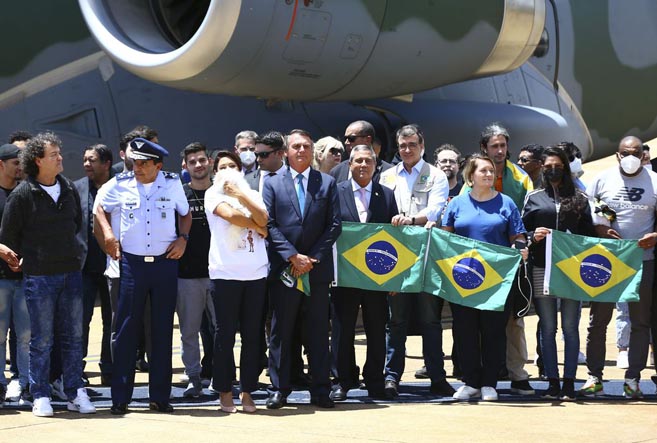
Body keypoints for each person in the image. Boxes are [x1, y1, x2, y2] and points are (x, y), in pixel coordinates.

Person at [0, 132, 95, 416]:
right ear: (38, 160)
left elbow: (76, 224)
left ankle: (75, 392)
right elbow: (9, 235)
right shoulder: (22, 195)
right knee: (41, 340)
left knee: (73, 338)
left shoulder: (67, 188)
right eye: (54, 155)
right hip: (39, 277)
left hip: (71, 274)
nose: (60, 158)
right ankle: (40, 393)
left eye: (58, 153)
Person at [95, 138, 191, 414]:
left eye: (143, 163)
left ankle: (159, 396)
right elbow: (100, 208)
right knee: (125, 330)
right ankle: (120, 397)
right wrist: (108, 234)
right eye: (134, 162)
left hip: (164, 264)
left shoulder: (171, 184)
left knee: (161, 329)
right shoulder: (119, 184)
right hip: (132, 265)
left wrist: (183, 238)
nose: (136, 168)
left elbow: (185, 214)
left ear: (157, 166)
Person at [263, 129, 342, 409]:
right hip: (285, 271)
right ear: (285, 152)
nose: (301, 151)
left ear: (312, 151)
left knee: (318, 332)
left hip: (316, 272)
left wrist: (311, 259)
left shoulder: (327, 183)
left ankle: (321, 389)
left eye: (306, 146)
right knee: (282, 331)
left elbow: (334, 225)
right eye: (296, 146)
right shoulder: (272, 183)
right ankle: (279, 389)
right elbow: (269, 224)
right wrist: (292, 256)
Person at [441, 154, 528, 401]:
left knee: (493, 332)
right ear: (471, 176)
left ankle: (490, 382)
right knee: (465, 331)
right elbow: (445, 238)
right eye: (483, 171)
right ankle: (471, 382)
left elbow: (518, 237)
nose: (489, 174)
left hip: (496, 282)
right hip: (463, 280)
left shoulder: (506, 203)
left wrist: (520, 248)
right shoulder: (457, 204)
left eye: (491, 171)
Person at [580, 136, 657, 398]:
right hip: (606, 262)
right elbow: (590, 208)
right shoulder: (602, 179)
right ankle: (594, 376)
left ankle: (632, 379)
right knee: (598, 321)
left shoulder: (654, 181)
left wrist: (655, 236)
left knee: (640, 322)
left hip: (642, 261)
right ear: (617, 155)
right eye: (626, 153)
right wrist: (601, 227)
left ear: (643, 155)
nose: (630, 157)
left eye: (636, 153)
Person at [380, 124, 453, 398]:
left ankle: (437, 376)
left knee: (430, 319)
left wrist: (411, 220)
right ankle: (391, 377)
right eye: (402, 145)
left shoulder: (436, 175)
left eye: (412, 144)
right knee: (396, 320)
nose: (407, 149)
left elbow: (436, 209)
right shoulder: (387, 176)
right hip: (397, 257)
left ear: (422, 146)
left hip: (426, 256)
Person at [521, 146, 596, 400]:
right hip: (541, 267)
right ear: (542, 168)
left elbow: (589, 235)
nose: (553, 170)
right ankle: (552, 381)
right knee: (548, 326)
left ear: (565, 168)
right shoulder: (533, 197)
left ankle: (569, 382)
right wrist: (533, 236)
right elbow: (522, 231)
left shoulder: (580, 197)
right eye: (548, 166)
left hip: (571, 270)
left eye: (558, 166)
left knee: (570, 327)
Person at [330, 145, 398, 401]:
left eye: (367, 161)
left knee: (376, 329)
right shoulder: (336, 192)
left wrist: (393, 277)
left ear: (375, 165)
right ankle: (342, 380)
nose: (362, 165)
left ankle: (375, 380)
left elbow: (394, 238)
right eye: (357, 161)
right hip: (344, 274)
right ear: (349, 164)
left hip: (376, 276)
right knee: (342, 329)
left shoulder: (386, 195)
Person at [205, 151, 269, 413]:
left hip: (256, 274)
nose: (228, 171)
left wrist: (242, 196)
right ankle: (224, 390)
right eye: (223, 167)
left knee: (253, 335)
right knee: (225, 334)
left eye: (233, 166)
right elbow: (231, 216)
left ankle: (247, 390)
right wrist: (257, 226)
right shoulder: (212, 194)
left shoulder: (252, 194)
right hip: (225, 274)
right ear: (215, 172)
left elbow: (263, 218)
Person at [477, 123, 534, 395]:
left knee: (514, 319)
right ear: (484, 149)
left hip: (512, 262)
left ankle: (518, 373)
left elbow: (529, 217)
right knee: (480, 320)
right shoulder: (473, 177)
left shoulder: (521, 178)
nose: (500, 151)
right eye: (494, 146)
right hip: (481, 262)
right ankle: (480, 375)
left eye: (503, 145)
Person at [176, 142, 215, 397]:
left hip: (220, 273)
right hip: (188, 275)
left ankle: (221, 376)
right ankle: (193, 378)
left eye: (202, 160)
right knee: (189, 331)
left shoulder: (221, 192)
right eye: (193, 162)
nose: (198, 165)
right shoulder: (180, 195)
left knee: (221, 330)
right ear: (185, 166)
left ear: (209, 162)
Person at [74, 144, 113, 387]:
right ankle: (77, 369)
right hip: (84, 268)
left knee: (112, 320)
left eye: (92, 160)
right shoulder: (76, 188)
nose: (87, 164)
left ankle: (109, 368)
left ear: (106, 163)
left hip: (113, 266)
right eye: (85, 160)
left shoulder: (118, 186)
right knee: (80, 321)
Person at [0, 143, 30, 406]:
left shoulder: (26, 193)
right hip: (0, 279)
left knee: (25, 337)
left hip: (24, 277)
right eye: (15, 163)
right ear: (1, 164)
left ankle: (25, 384)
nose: (20, 167)